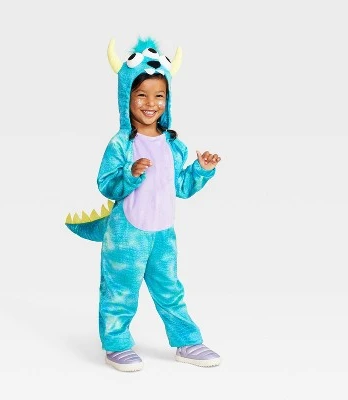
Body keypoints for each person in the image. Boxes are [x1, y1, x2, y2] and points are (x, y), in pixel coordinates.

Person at [65, 37, 222, 372]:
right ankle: (116, 343)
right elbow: (106, 184)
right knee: (120, 290)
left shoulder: (174, 145)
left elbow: (180, 188)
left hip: (163, 234)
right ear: (127, 96)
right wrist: (131, 174)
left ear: (168, 98)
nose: (151, 103)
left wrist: (201, 170)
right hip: (126, 234)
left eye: (159, 95)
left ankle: (187, 341)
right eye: (141, 95)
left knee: (170, 290)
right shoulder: (121, 143)